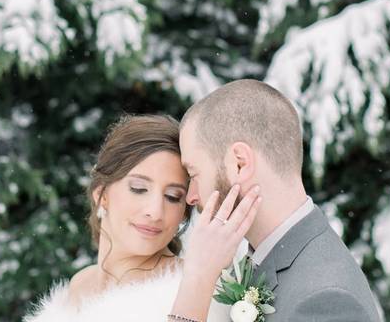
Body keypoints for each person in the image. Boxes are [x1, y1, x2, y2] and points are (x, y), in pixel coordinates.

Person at [173, 79, 382, 322]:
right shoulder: (263, 261)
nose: (191, 196)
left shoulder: (325, 301)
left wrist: (196, 279)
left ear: (240, 163)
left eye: (193, 175)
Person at [24, 114, 257, 322]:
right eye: (138, 188)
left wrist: (197, 285)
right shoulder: (78, 286)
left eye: (173, 196)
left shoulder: (199, 286)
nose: (155, 212)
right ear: (101, 194)